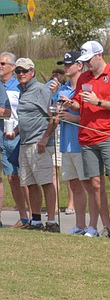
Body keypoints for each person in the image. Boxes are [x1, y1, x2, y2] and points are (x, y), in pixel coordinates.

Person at [62, 40, 110, 240]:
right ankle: (107, 228)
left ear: (99, 55)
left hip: (109, 135)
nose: (86, 64)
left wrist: (99, 102)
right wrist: (71, 103)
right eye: (83, 61)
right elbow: (79, 104)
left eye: (88, 60)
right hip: (86, 137)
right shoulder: (84, 76)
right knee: (95, 184)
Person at [11, 58, 58, 232]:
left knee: (45, 182)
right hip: (25, 142)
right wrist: (15, 132)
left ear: (33, 72)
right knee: (30, 183)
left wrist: (45, 139)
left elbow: (53, 117)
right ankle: (36, 220)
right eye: (18, 71)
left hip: (39, 142)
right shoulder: (22, 90)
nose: (21, 74)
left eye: (24, 71)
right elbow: (26, 117)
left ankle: (52, 221)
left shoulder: (40, 89)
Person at [51, 51, 89, 235]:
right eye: (64, 64)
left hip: (82, 143)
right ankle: (79, 225)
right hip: (66, 143)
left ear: (80, 65)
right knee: (74, 185)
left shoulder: (86, 88)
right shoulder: (63, 89)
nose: (66, 67)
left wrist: (74, 117)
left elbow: (93, 116)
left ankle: (95, 225)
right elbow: (53, 111)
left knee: (88, 185)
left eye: (70, 64)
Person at [0, 51, 31, 229]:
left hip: (19, 136)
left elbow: (12, 111)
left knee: (24, 178)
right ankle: (24, 217)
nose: (0, 66)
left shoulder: (19, 85)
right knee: (11, 178)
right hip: (3, 137)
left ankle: (34, 216)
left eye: (3, 64)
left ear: (12, 67)